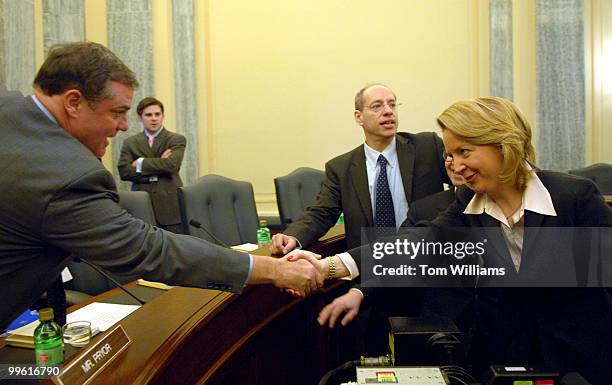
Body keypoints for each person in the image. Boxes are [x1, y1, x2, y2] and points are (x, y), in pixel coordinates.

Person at [0, 42, 322, 331]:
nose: (124, 126)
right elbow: (149, 251)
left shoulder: (9, 108)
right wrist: (273, 270)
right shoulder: (66, 176)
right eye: (118, 112)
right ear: (73, 102)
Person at [293, 97, 612, 384]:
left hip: (580, 360)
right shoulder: (467, 201)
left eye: (464, 152)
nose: (456, 166)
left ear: (502, 143)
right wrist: (331, 266)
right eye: (450, 154)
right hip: (503, 363)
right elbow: (419, 241)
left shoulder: (573, 198)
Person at [270, 83, 449, 257]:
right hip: (370, 268)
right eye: (377, 106)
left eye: (392, 104)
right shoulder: (341, 168)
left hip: (426, 263)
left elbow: (465, 185)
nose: (388, 111)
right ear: (359, 117)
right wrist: (293, 235)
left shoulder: (427, 147)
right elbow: (322, 212)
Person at [118, 97, 185, 233]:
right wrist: (161, 163)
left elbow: (172, 166)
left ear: (163, 116)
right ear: (140, 118)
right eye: (148, 115)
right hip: (141, 204)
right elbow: (124, 172)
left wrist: (140, 163)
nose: (154, 118)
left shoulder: (176, 139)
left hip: (169, 207)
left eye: (157, 114)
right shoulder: (130, 142)